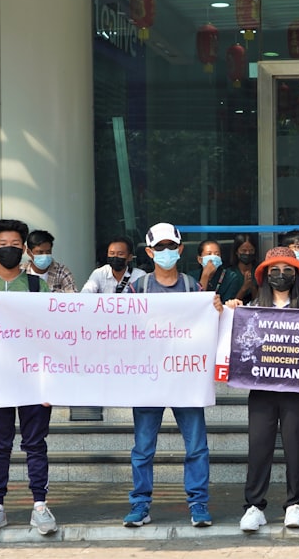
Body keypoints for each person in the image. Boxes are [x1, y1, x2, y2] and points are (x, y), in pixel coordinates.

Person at [122, 223, 220, 529]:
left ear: (180, 249)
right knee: (143, 447)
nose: (166, 252)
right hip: (148, 378)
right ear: (149, 252)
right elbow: (118, 328)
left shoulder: (193, 288)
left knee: (196, 446)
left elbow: (209, 328)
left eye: (171, 246)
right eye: (159, 248)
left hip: (185, 378)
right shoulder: (137, 288)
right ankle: (140, 504)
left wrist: (216, 309)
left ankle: (198, 503)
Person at [0, 219, 57, 538]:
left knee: (35, 445)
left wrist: (49, 382)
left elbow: (50, 336)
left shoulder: (37, 286)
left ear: (25, 250)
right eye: (3, 244)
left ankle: (40, 506)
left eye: (16, 245)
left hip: (32, 380)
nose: (9, 250)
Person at [225, 246, 299, 531]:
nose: (281, 276)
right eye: (275, 271)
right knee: (259, 447)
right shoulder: (252, 309)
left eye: (288, 271)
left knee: (295, 447)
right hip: (261, 388)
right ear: (265, 275)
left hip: (294, 389)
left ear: (297, 276)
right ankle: (254, 506)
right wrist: (232, 312)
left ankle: (295, 505)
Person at [81, 235, 145, 294]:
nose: (115, 257)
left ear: (130, 257)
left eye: (120, 254)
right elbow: (85, 294)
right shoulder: (99, 273)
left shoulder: (139, 276)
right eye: (112, 253)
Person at [189, 239, 243, 305]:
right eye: (209, 254)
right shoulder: (191, 277)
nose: (213, 257)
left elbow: (228, 304)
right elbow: (196, 303)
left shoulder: (230, 277)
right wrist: (205, 276)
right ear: (200, 259)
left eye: (217, 254)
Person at [230, 233, 260, 304]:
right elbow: (231, 302)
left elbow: (259, 301)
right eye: (244, 251)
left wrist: (252, 286)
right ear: (236, 252)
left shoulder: (259, 271)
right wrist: (244, 287)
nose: (247, 253)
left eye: (251, 250)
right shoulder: (230, 273)